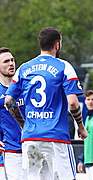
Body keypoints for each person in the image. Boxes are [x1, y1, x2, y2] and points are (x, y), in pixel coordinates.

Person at [4, 27, 88, 180]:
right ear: (57, 44)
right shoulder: (64, 67)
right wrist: (81, 126)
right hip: (56, 137)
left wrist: (23, 124)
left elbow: (8, 101)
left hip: (30, 137)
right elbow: (73, 103)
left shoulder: (24, 68)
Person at [0, 47, 24, 180]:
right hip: (13, 150)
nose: (11, 63)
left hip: (34, 144)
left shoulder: (25, 86)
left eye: (12, 60)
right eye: (6, 61)